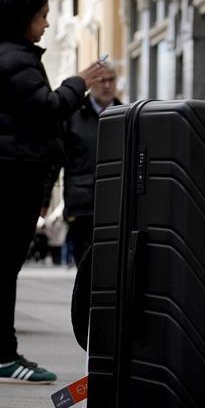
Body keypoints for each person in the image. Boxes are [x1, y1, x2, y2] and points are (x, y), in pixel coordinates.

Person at [0, 0, 106, 384]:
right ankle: (2, 354)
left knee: (5, 261)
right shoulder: (14, 58)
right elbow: (46, 108)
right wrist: (78, 83)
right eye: (42, 14)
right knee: (5, 262)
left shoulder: (7, 54)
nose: (47, 23)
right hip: (18, 170)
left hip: (16, 168)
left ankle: (2, 352)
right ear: (24, 15)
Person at [61, 62, 121, 270]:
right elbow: (57, 158)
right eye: (101, 80)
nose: (107, 86)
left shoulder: (127, 115)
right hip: (82, 205)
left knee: (111, 267)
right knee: (85, 266)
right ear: (91, 83)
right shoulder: (73, 117)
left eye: (111, 80)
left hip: (116, 204)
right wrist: (44, 199)